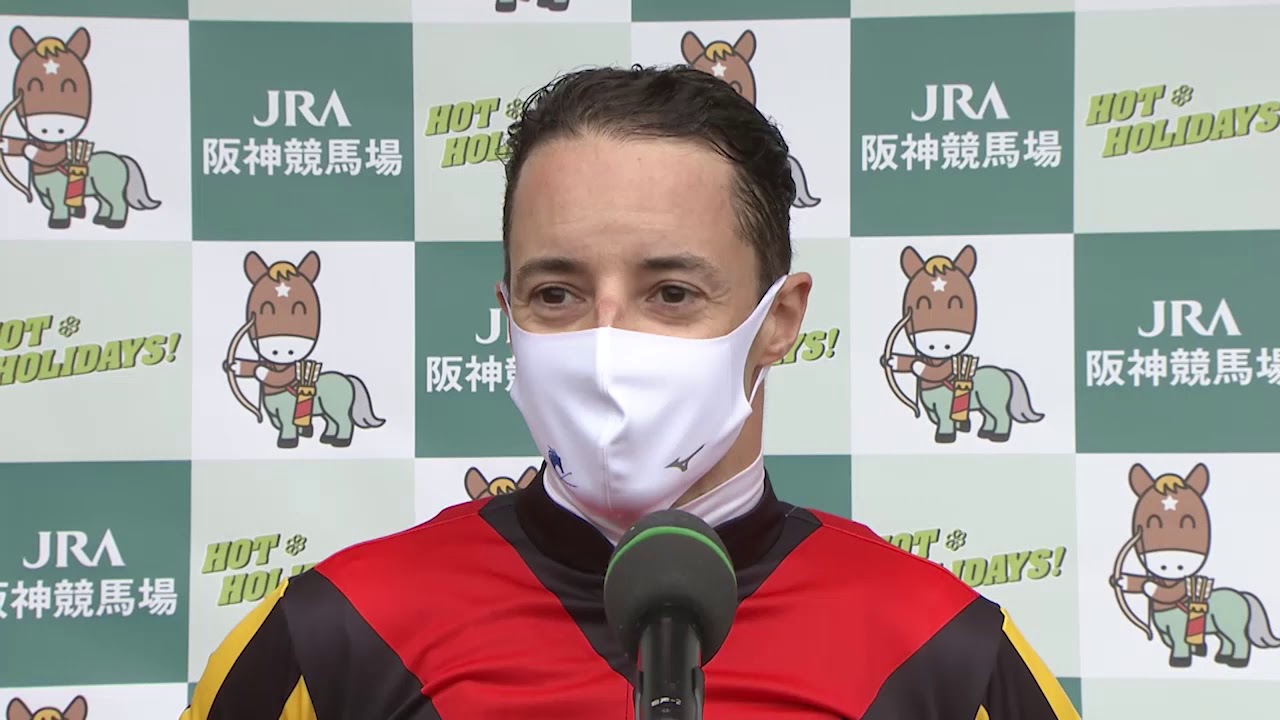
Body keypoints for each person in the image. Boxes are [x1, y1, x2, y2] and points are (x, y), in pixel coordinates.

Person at [182, 65, 1080, 719]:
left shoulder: (941, 650)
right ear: (508, 312)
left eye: (672, 293)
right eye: (556, 294)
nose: (607, 342)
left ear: (779, 319)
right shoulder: (339, 633)